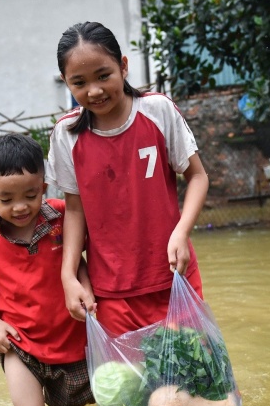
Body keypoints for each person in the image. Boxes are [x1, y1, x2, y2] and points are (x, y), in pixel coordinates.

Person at [46, 21, 210, 336]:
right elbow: (75, 209)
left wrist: (181, 232)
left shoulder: (158, 111)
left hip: (174, 275)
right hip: (110, 292)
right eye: (79, 82)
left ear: (123, 67)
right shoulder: (66, 135)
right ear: (67, 84)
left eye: (103, 76)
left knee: (197, 380)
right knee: (131, 385)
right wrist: (69, 276)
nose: (94, 91)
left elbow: (198, 176)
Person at [0, 133, 94, 406]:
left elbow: (80, 259)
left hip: (72, 341)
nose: (20, 207)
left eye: (31, 196)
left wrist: (85, 287)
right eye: (7, 199)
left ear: (44, 188)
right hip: (19, 344)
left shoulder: (63, 216)